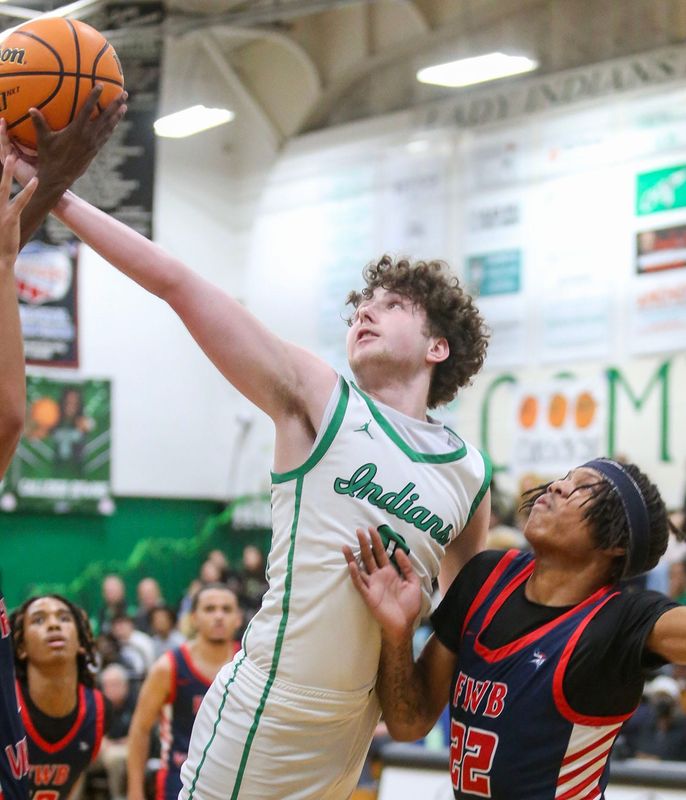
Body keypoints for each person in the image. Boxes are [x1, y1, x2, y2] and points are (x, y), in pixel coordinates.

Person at [3, 127, 492, 798]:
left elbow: (418, 708)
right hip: (269, 706)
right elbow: (178, 284)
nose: (365, 313)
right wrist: (56, 195)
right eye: (359, 307)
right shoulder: (319, 396)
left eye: (391, 304)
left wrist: (399, 632)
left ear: (439, 347)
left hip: (355, 729)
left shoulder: (470, 475)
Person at [345, 457, 686, 800]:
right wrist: (398, 635)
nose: (557, 485)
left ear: (617, 543)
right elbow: (409, 722)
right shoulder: (485, 576)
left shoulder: (620, 621)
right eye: (565, 476)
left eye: (583, 487)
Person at [0, 86, 126, 800]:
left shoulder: (89, 708)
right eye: (40, 618)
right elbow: (11, 419)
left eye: (58, 618)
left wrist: (47, 190)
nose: (50, 626)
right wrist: (49, 188)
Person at [126, 585, 241, 800]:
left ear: (238, 618)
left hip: (234, 779)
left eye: (226, 609)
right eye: (210, 609)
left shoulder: (249, 664)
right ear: (194, 618)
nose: (218, 616)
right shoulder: (168, 667)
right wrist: (135, 791)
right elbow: (140, 729)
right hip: (179, 779)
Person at [10, 595, 108, 800]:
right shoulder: (5, 704)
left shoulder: (99, 710)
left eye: (64, 618)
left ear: (81, 641)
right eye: (38, 620)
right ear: (21, 647)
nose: (54, 625)